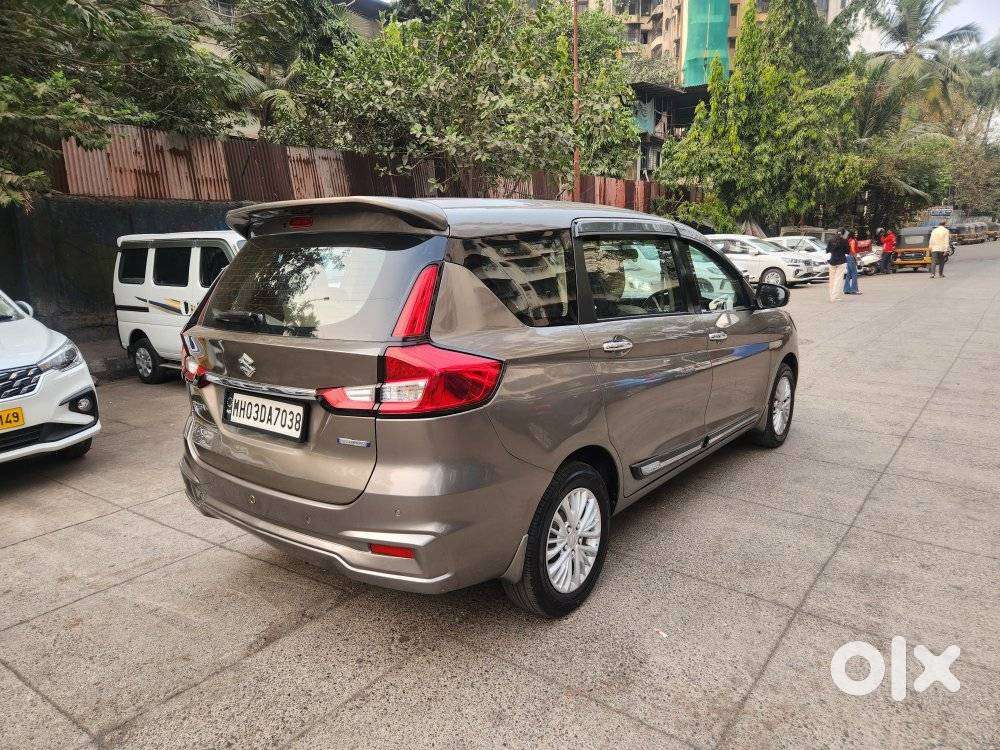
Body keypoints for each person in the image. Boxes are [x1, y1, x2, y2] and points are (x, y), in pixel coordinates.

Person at [827, 229, 851, 302]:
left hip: (832, 261)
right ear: (843, 234)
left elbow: (827, 250)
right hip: (841, 261)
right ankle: (834, 297)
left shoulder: (831, 239)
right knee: (838, 280)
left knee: (832, 279)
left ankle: (832, 295)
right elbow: (847, 251)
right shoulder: (844, 241)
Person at [844, 230, 861, 295]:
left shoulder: (848, 240)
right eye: (855, 233)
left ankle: (846, 289)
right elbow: (853, 250)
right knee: (854, 274)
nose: (856, 234)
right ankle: (854, 290)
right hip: (852, 257)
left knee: (848, 274)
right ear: (853, 234)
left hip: (848, 257)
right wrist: (856, 259)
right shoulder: (853, 241)